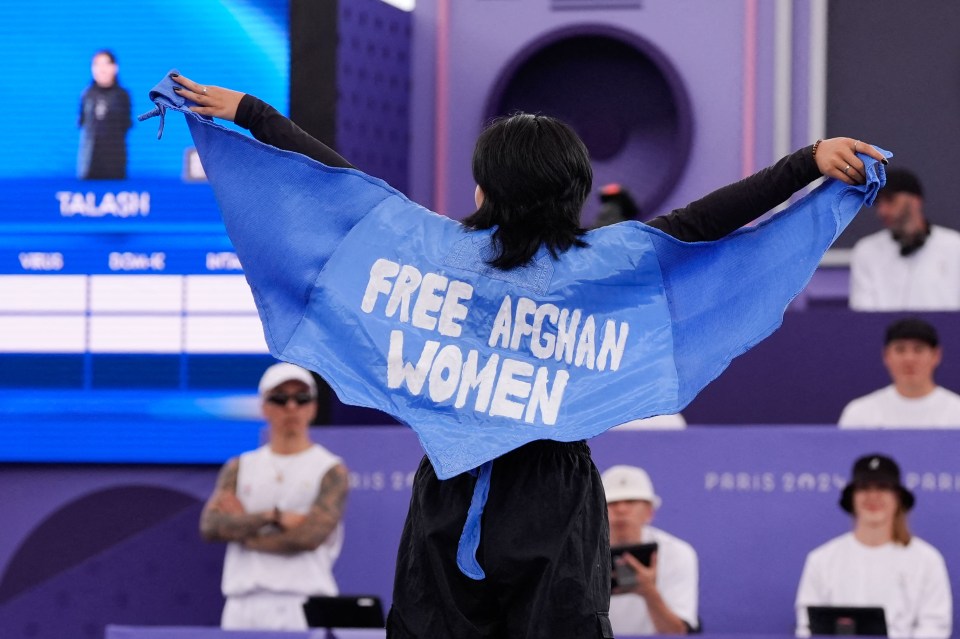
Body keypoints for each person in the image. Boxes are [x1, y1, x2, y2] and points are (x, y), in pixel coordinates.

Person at [165, 72, 884, 639]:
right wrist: (806, 165)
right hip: (552, 495)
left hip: (452, 491)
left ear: (484, 188)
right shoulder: (610, 261)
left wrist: (251, 116)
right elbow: (705, 223)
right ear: (572, 190)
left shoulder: (430, 251)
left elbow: (336, 189)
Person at [199, 362, 349, 630]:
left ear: (313, 407)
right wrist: (275, 516)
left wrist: (244, 529)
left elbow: (309, 538)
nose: (291, 407)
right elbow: (211, 526)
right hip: (242, 605)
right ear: (264, 406)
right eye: (280, 398)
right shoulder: (239, 467)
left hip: (302, 605)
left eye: (301, 398)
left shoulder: (331, 469)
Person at [795, 454, 951, 638]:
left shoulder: (927, 560)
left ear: (898, 498)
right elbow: (807, 627)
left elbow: (934, 627)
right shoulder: (821, 559)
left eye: (883, 487)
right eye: (864, 488)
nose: (873, 496)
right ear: (852, 498)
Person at [602, 465, 698, 636]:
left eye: (630, 501)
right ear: (595, 510)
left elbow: (677, 633)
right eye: (612, 502)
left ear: (649, 512)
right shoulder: (575, 554)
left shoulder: (677, 553)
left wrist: (648, 592)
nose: (621, 509)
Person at [849, 168, 960, 310]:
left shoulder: (955, 247)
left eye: (890, 200)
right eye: (878, 203)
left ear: (915, 200)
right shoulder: (866, 251)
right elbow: (863, 316)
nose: (882, 211)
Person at [839, 317, 960, 428]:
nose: (909, 359)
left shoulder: (956, 411)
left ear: (936, 355)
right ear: (886, 356)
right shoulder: (861, 413)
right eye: (900, 350)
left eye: (918, 349)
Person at [78, 50, 132, 180]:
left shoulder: (122, 96)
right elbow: (82, 123)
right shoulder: (87, 95)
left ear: (115, 68)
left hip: (115, 161)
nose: (101, 69)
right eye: (97, 64)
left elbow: (126, 125)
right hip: (89, 162)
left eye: (105, 64)